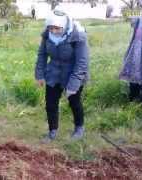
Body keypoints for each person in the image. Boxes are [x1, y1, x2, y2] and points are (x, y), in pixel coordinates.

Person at [34, 10, 89, 142]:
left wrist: (74, 84)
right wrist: (39, 74)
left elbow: (82, 62)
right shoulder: (47, 35)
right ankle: (52, 131)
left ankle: (79, 128)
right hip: (53, 72)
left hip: (73, 72)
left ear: (64, 25)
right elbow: (42, 54)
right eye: (51, 28)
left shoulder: (78, 36)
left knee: (74, 102)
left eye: (57, 28)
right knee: (50, 103)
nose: (53, 31)